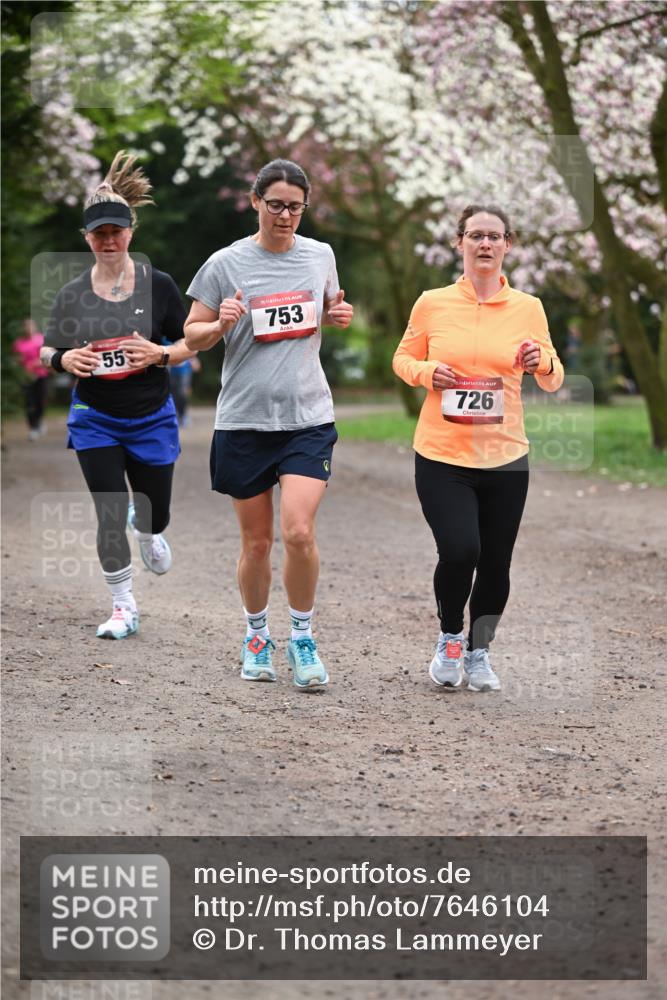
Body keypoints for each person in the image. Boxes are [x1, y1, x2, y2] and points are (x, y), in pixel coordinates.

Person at [184, 158, 353, 689]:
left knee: (298, 532)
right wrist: (219, 324)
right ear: (256, 202)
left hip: (307, 417)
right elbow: (191, 336)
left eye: (295, 207)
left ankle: (303, 636)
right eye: (276, 204)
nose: (285, 215)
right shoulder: (225, 263)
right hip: (244, 420)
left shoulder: (320, 255)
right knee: (256, 544)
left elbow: (328, 307)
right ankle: (257, 636)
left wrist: (339, 316)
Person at [393, 204, 564, 692]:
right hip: (442, 455)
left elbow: (553, 378)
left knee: (496, 562)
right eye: (475, 236)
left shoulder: (529, 308)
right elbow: (403, 358)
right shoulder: (432, 302)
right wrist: (428, 373)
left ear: (508, 244)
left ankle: (479, 649)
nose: (484, 244)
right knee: (460, 548)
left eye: (494, 236)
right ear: (459, 243)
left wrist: (542, 362)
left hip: (506, 456)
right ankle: (450, 637)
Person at [40, 151, 196, 639]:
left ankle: (148, 529)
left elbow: (192, 341)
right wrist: (64, 360)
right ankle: (123, 606)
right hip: (95, 416)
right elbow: (49, 348)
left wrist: (162, 353)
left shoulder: (160, 286)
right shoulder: (71, 294)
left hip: (151, 415)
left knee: (157, 509)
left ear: (131, 232)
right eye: (99, 234)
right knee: (108, 510)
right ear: (87, 239)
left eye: (116, 231)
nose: (109, 240)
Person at [14, 319, 49, 440]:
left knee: (40, 401)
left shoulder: (41, 339)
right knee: (29, 402)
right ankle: (33, 427)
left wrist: (35, 364)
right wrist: (20, 362)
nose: (28, 329)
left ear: (34, 327)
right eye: (25, 326)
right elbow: (17, 358)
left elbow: (46, 357)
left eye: (30, 326)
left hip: (41, 375)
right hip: (26, 376)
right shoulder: (19, 343)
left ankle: (39, 421)